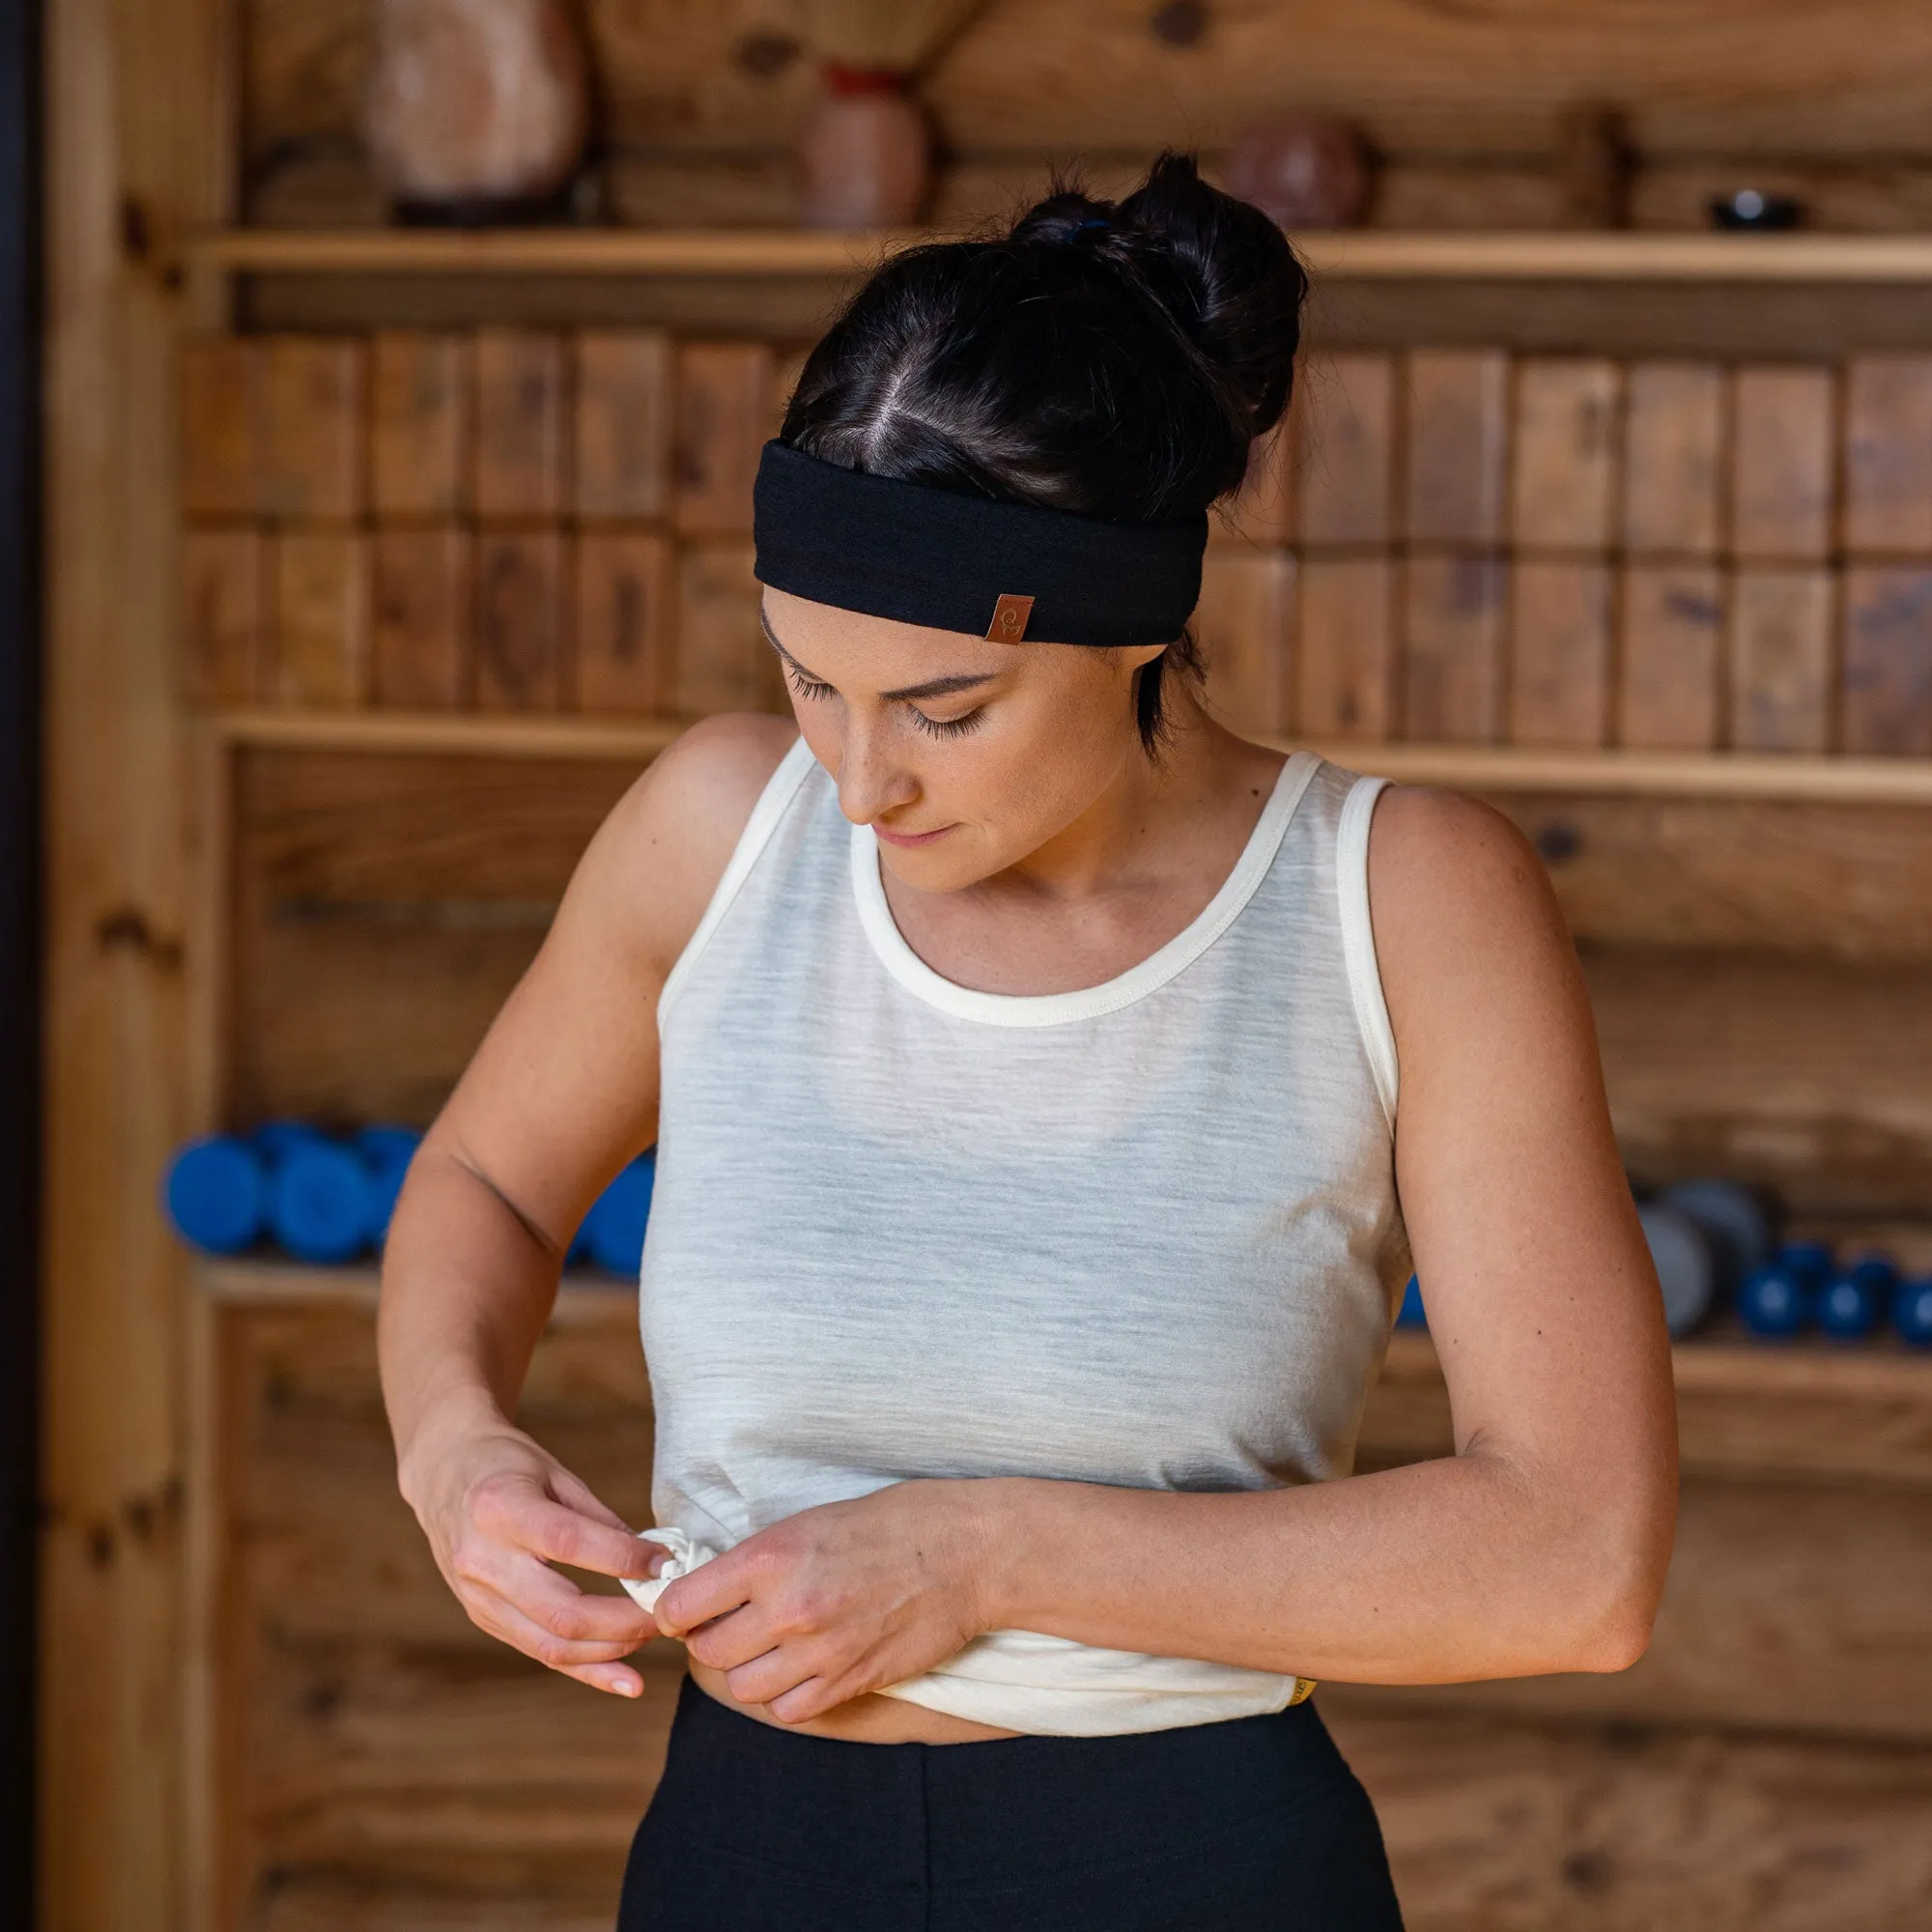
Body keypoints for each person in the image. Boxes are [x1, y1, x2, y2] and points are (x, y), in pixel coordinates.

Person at [377, 154, 1679, 1931]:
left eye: (947, 709)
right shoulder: (713, 833)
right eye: (805, 680)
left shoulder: (1405, 903)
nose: (858, 781)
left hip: (1188, 1860)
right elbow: (487, 1186)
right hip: (739, 1850)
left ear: (1138, 621)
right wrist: (452, 1447)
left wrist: (988, 1552)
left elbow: (1575, 1563)